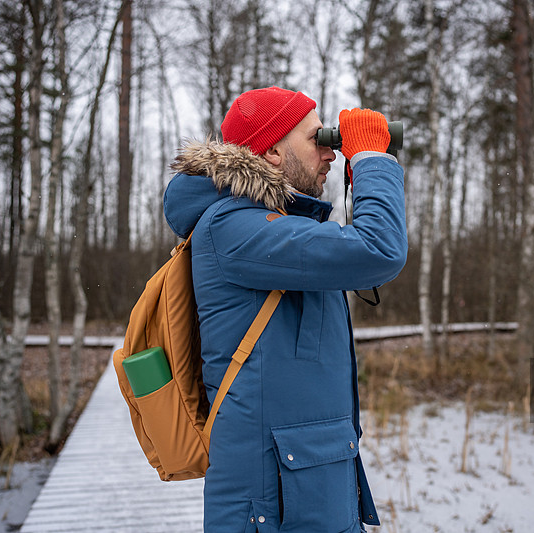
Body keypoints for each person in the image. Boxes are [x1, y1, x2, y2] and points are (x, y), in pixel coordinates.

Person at [163, 86, 407, 532]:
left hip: (309, 491)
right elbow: (378, 250)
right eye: (318, 139)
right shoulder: (233, 227)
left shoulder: (279, 227)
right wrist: (372, 158)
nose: (331, 153)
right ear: (272, 151)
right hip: (272, 504)